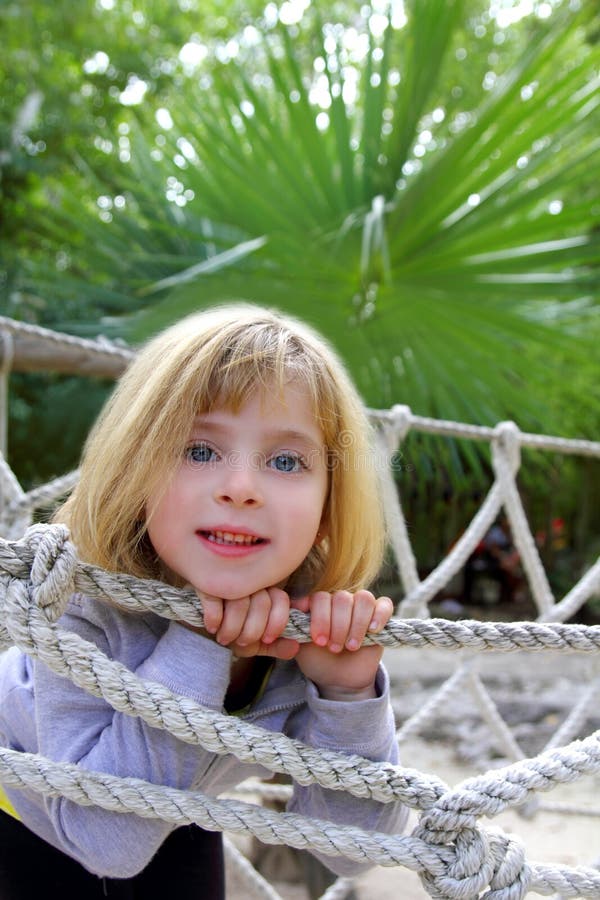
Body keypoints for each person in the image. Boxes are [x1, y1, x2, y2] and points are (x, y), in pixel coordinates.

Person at [0, 304, 407, 898]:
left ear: (327, 509)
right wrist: (203, 643)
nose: (240, 488)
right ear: (134, 475)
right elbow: (103, 839)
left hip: (185, 798)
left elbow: (355, 849)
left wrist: (347, 696)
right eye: (199, 451)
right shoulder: (83, 608)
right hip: (27, 804)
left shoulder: (308, 623)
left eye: (286, 461)